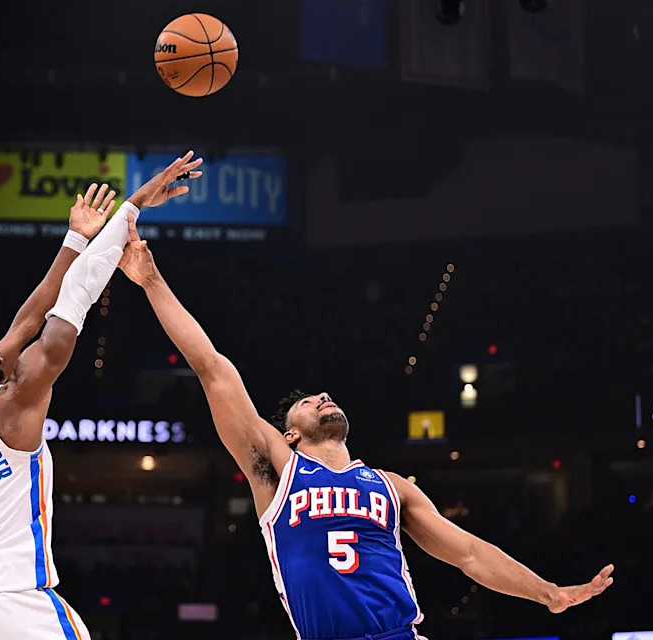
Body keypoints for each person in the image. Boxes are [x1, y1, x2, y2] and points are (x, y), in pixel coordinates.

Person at [117, 218, 614, 640]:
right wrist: (153, 281)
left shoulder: (390, 486)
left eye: (325, 397)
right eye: (308, 403)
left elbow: (469, 553)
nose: (321, 399)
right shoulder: (277, 470)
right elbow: (212, 368)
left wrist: (548, 593)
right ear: (288, 434)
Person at [0, 152, 203, 640]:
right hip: (15, 606)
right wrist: (131, 208)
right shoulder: (11, 401)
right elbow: (73, 302)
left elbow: (26, 320)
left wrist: (75, 239)